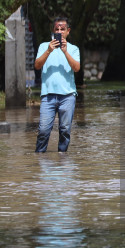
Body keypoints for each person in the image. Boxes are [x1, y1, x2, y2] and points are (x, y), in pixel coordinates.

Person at [34, 17, 80, 153]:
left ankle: (62, 158)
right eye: (57, 29)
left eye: (62, 29)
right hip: (47, 96)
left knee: (65, 130)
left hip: (68, 96)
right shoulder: (44, 46)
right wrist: (49, 50)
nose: (59, 31)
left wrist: (65, 51)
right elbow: (37, 65)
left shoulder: (73, 49)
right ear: (53, 31)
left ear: (68, 31)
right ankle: (39, 159)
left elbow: (77, 68)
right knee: (43, 130)